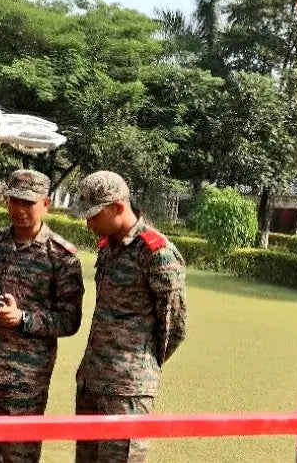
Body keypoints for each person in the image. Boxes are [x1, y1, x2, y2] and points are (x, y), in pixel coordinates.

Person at [0, 169, 85, 463]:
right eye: (14, 201)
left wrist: (23, 318)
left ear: (46, 204)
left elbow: (70, 320)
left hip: (25, 384)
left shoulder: (62, 257)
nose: (19, 210)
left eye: (28, 203)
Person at [68, 171, 188, 463]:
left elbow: (175, 326)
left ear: (118, 207)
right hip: (92, 381)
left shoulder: (157, 254)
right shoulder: (108, 248)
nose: (88, 223)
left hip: (127, 392)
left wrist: (138, 367)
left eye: (94, 215)